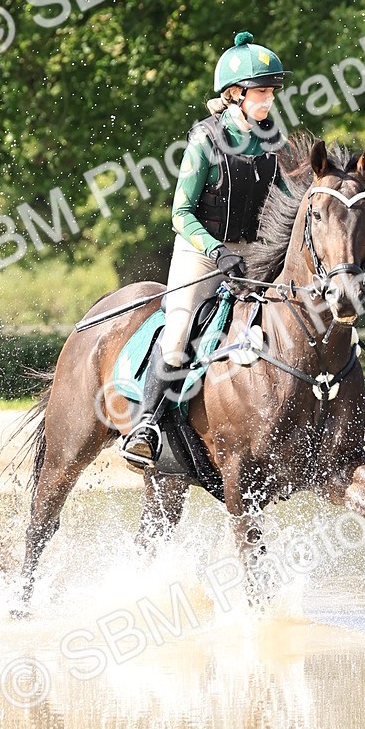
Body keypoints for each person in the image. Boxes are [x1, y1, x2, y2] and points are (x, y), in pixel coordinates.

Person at [118, 31, 291, 467]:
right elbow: (180, 213)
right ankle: (146, 428)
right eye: (262, 91)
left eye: (272, 91)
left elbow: (288, 199)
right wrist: (217, 252)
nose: (269, 99)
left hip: (254, 257)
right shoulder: (205, 140)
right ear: (235, 94)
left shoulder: (273, 138)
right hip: (202, 250)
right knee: (178, 333)